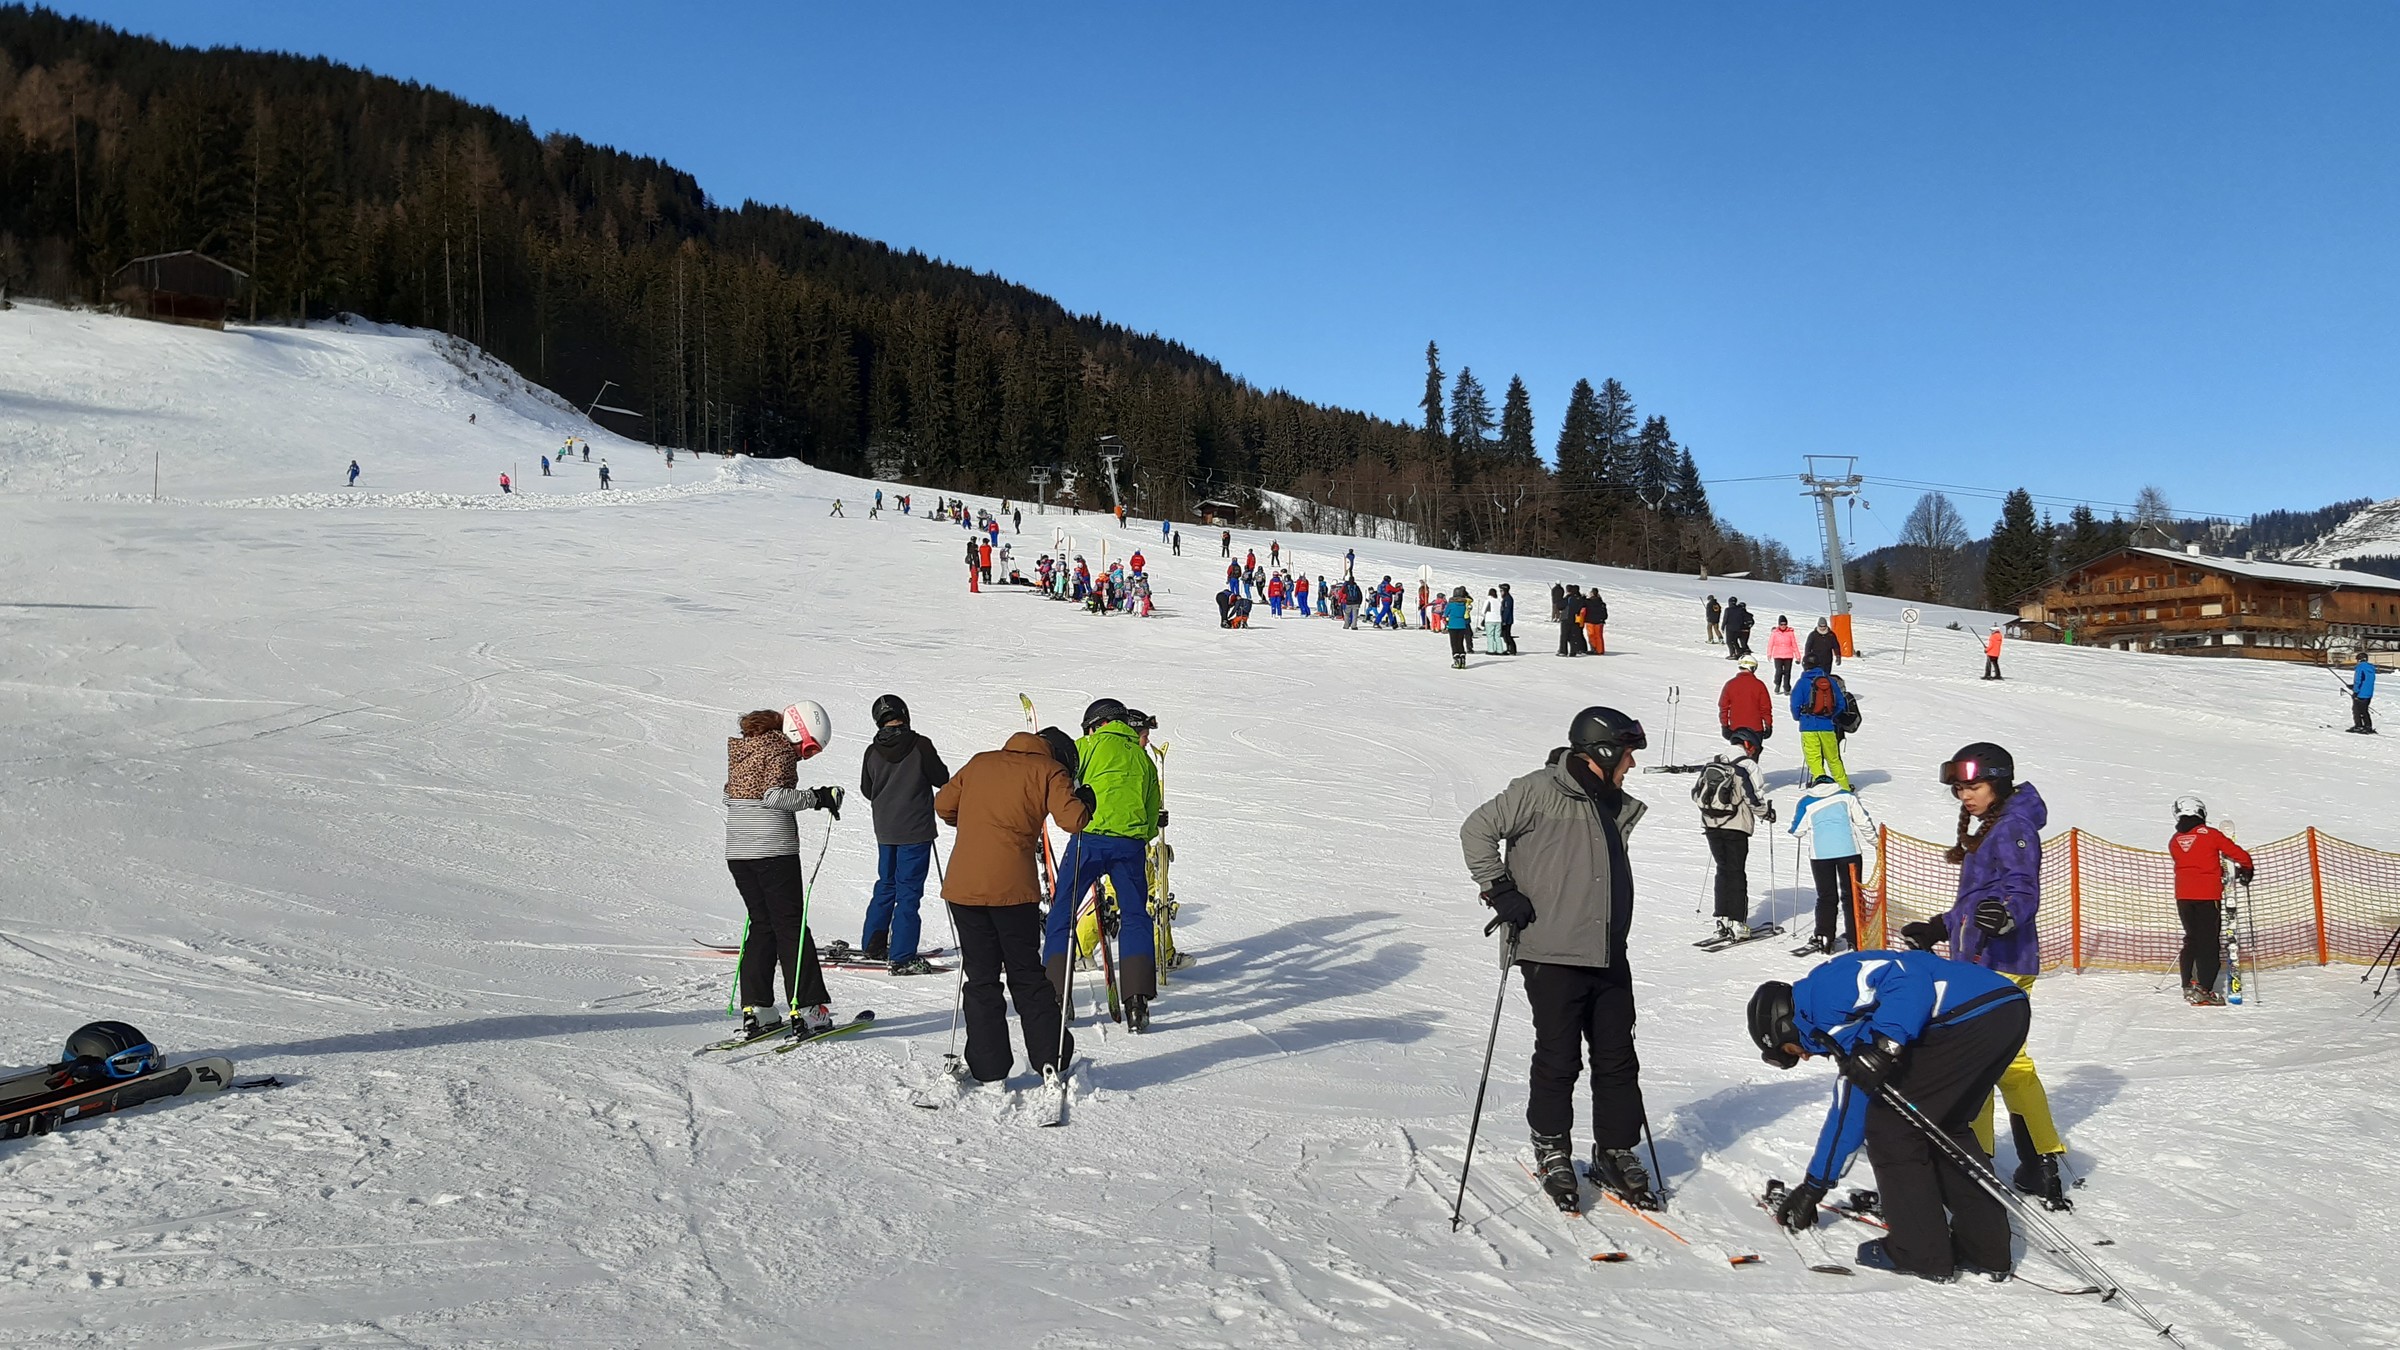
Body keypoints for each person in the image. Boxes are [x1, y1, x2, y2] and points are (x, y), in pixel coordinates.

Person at [1460, 706, 1659, 1211]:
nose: (1632, 765)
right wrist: (1500, 889)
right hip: (1551, 949)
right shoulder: (1537, 791)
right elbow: (1476, 830)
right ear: (1604, 751)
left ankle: (1615, 1150)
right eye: (1628, 753)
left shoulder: (1611, 802)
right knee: (1559, 1057)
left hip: (1607, 950)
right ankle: (1552, 1146)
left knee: (1618, 1058)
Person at [1750, 948, 2032, 1282]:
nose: (1805, 1057)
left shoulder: (1822, 990)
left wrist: (1886, 1046)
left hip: (1968, 1015)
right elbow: (1851, 1106)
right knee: (1942, 1126)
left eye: (1791, 1051)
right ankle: (1985, 1250)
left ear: (1784, 1025)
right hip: (2002, 1013)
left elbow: (1904, 975)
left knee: (1891, 1131)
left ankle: (1921, 1253)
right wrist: (1814, 1187)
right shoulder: (1842, 1030)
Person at [1908, 743, 2070, 1210]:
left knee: (1982, 1064)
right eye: (1959, 787)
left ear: (1998, 783)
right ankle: (2035, 1162)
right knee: (2001, 1065)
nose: (1965, 795)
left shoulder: (2013, 827)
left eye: (1973, 786)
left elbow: (2022, 890)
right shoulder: (1995, 826)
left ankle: (1984, 1161)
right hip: (1985, 962)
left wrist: (2005, 918)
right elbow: (1982, 896)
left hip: (2000, 962)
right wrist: (1942, 926)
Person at [934, 725, 1092, 1082]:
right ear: (1059, 757)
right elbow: (1073, 820)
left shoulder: (979, 763)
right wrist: (1087, 802)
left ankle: (988, 1069)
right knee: (1025, 976)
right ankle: (1051, 1060)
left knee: (981, 978)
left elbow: (943, 805)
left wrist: (974, 822)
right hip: (1013, 892)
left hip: (964, 889)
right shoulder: (1049, 771)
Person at [723, 705, 846, 1039]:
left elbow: (729, 794)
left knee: (763, 925)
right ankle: (808, 1009)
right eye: (807, 748)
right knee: (791, 927)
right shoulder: (779, 749)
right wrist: (818, 797)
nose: (804, 757)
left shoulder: (746, 748)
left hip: (739, 852)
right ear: (797, 732)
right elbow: (775, 796)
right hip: (774, 851)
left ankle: (759, 1010)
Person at [1045, 700, 1166, 1030]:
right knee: (1135, 916)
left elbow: (1061, 778)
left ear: (1094, 724)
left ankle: (1056, 994)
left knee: (1062, 912)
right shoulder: (1143, 759)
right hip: (1129, 846)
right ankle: (1137, 1000)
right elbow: (1153, 814)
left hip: (1090, 839)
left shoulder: (1086, 746)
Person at [858, 694, 952, 974]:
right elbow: (942, 778)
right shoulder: (919, 745)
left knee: (886, 883)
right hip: (915, 829)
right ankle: (902, 955)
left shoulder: (872, 751)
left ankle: (873, 944)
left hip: (886, 829)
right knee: (909, 892)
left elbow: (866, 789)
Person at [2169, 795, 2253, 1005]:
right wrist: (2247, 867)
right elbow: (2235, 852)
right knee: (2208, 943)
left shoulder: (2175, 840)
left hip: (2184, 896)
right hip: (2207, 895)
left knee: (2192, 939)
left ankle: (2188, 983)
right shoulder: (2211, 835)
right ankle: (2204, 989)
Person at [1695, 731, 1772, 942]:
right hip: (1736, 826)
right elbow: (1753, 798)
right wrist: (1767, 814)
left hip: (1711, 825)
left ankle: (1721, 918)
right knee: (1737, 872)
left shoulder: (1714, 763)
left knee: (1722, 870)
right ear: (1749, 745)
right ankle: (1738, 922)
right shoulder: (1747, 766)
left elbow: (1695, 794)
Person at [1788, 775, 1877, 954]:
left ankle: (1824, 936)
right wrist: (1876, 842)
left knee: (1826, 896)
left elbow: (1798, 831)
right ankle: (1856, 938)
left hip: (1821, 855)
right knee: (1852, 895)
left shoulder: (1806, 801)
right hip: (1849, 852)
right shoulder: (1847, 796)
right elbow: (1863, 821)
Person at [1790, 660, 1853, 791]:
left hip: (1808, 727)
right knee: (1834, 759)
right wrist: (1831, 716)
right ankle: (1845, 788)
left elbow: (1795, 704)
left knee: (1814, 759)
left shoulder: (1802, 683)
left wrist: (1799, 718)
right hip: (1828, 727)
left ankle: (1821, 787)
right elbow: (1841, 703)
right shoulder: (1830, 682)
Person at [1719, 655, 1774, 745]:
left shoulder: (1730, 684)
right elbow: (1766, 708)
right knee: (1753, 756)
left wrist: (1724, 726)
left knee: (1737, 756)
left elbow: (1723, 707)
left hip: (1735, 729)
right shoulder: (1759, 685)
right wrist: (1768, 725)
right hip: (1755, 729)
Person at [2347, 652, 2378, 733]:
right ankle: (2368, 726)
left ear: (2359, 660)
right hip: (2368, 693)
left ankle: (2359, 726)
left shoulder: (2360, 667)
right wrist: (2353, 686)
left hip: (2361, 693)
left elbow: (2358, 680)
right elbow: (2366, 681)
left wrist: (2356, 691)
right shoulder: (2371, 668)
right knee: (2364, 710)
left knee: (2356, 710)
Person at [1767, 616, 1799, 694]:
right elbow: (1770, 644)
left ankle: (1786, 688)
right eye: (1781, 624)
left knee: (1787, 672)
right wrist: (1769, 654)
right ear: (1779, 624)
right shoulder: (1775, 633)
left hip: (1788, 655)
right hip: (1778, 655)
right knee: (1779, 671)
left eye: (1785, 624)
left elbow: (1794, 644)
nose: (1783, 626)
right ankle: (1777, 684)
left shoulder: (1790, 633)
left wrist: (1798, 656)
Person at [1444, 586, 1472, 669]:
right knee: (1460, 643)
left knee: (1454, 643)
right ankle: (1462, 659)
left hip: (1452, 625)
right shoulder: (1464, 604)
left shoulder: (1451, 604)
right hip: (1462, 625)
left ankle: (1456, 661)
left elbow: (1445, 614)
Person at [1558, 584, 1586, 657]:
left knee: (1564, 636)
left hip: (1566, 618)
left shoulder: (1569, 598)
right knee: (1573, 636)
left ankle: (1563, 651)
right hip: (1576, 619)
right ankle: (1573, 651)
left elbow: (1560, 606)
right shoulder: (1580, 599)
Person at [1581, 588, 1608, 656]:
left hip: (1590, 621)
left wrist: (1583, 597)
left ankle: (1594, 649)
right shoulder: (1601, 603)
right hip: (1599, 621)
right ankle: (1600, 650)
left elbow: (1582, 604)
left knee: (1591, 635)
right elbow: (1605, 615)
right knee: (1599, 636)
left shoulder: (1588, 602)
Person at [1477, 588, 1501, 655]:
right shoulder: (1498, 601)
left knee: (1490, 635)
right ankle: (1500, 650)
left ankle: (1491, 650)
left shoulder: (1488, 601)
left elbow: (1483, 611)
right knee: (1497, 636)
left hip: (1490, 619)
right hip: (1498, 620)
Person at [1499, 583, 1518, 655]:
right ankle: (1508, 648)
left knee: (1507, 635)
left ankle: (1512, 649)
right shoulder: (1505, 598)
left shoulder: (1508, 599)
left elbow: (1507, 611)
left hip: (1507, 620)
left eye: (1501, 591)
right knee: (1505, 635)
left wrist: (1504, 620)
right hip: (1506, 620)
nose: (1501, 592)